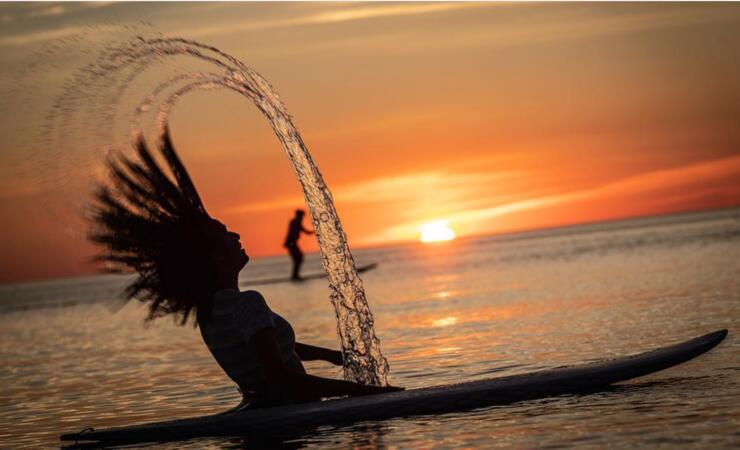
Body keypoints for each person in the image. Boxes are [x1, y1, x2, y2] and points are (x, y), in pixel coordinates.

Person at [89, 129, 402, 409]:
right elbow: (285, 381)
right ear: (213, 256)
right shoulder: (247, 303)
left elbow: (265, 348)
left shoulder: (209, 313)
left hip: (259, 413)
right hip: (287, 426)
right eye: (225, 234)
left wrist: (329, 355)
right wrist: (362, 393)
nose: (236, 236)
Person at [284, 209, 314, 281]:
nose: (302, 218)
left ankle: (295, 275)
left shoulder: (297, 223)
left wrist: (315, 231)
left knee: (298, 258)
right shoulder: (295, 222)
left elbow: (306, 232)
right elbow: (292, 233)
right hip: (291, 243)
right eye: (301, 216)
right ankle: (295, 276)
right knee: (298, 258)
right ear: (298, 216)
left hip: (292, 243)